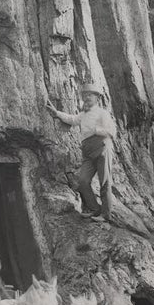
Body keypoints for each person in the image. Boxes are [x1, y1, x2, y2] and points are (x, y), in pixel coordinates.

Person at [47, 84, 116, 220]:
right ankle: (95, 209)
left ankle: (106, 215)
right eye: (85, 95)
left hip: (102, 146)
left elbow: (112, 131)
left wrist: (95, 130)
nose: (87, 97)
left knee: (105, 182)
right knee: (83, 181)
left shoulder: (102, 113)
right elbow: (72, 120)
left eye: (90, 94)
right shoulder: (83, 114)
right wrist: (56, 113)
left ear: (97, 98)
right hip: (87, 152)